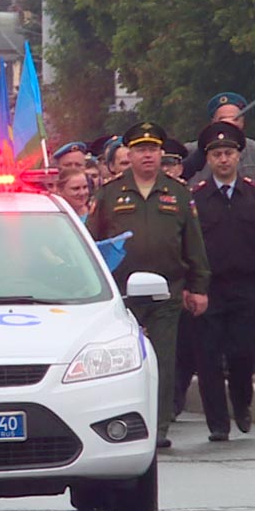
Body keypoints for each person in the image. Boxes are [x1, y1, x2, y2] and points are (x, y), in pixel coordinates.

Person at [87, 122, 210, 448]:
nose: (147, 155)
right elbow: (92, 242)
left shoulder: (178, 193)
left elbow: (193, 244)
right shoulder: (110, 194)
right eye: (140, 150)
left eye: (152, 150)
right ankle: (117, 423)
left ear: (160, 154)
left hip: (166, 291)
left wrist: (198, 286)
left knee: (163, 360)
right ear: (130, 153)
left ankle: (158, 428)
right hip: (121, 296)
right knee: (120, 361)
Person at [190, 122, 255, 441]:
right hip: (209, 289)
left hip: (246, 288)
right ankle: (218, 423)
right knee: (209, 358)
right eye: (217, 154)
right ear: (208, 159)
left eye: (229, 153)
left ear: (238, 156)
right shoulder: (196, 199)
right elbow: (188, 245)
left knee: (244, 352)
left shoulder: (251, 194)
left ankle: (242, 404)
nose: (223, 159)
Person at [183, 92, 255, 183]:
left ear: (243, 122)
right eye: (223, 119)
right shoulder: (190, 151)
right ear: (213, 122)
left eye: (235, 119)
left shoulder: (253, 150)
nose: (229, 124)